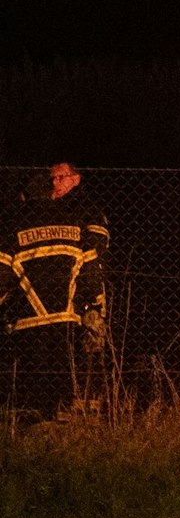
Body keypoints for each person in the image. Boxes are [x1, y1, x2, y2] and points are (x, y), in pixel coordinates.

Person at [0, 163, 109, 423]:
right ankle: (68, 419)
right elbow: (91, 268)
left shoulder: (12, 230)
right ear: (49, 193)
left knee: (33, 383)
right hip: (68, 317)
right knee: (67, 377)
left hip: (28, 320)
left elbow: (3, 277)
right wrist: (95, 307)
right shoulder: (75, 225)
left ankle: (35, 421)